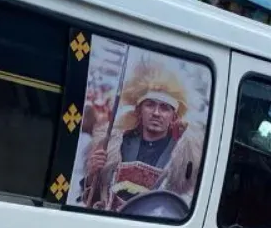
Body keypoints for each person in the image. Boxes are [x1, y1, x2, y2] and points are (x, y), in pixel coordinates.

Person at [83, 60, 202, 213]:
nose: (156, 113)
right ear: (139, 110)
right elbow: (90, 200)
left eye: (165, 108)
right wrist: (93, 173)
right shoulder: (115, 144)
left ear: (174, 117)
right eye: (150, 105)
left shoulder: (182, 157)